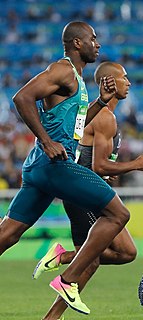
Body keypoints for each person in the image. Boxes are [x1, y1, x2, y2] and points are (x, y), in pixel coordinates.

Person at [0, 21, 129, 315]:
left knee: (8, 234)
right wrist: (45, 141)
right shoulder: (63, 69)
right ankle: (68, 281)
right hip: (54, 165)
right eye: (93, 38)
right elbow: (22, 97)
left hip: (41, 169)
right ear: (78, 43)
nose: (98, 43)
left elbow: (74, 125)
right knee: (119, 213)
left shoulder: (78, 81)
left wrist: (100, 103)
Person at [33, 61, 143, 320]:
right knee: (95, 259)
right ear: (110, 82)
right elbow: (99, 163)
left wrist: (110, 170)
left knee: (125, 253)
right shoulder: (105, 117)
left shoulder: (102, 115)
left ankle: (63, 258)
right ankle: (52, 314)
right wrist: (135, 165)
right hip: (84, 195)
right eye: (123, 77)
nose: (128, 82)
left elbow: (93, 157)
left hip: (87, 189)